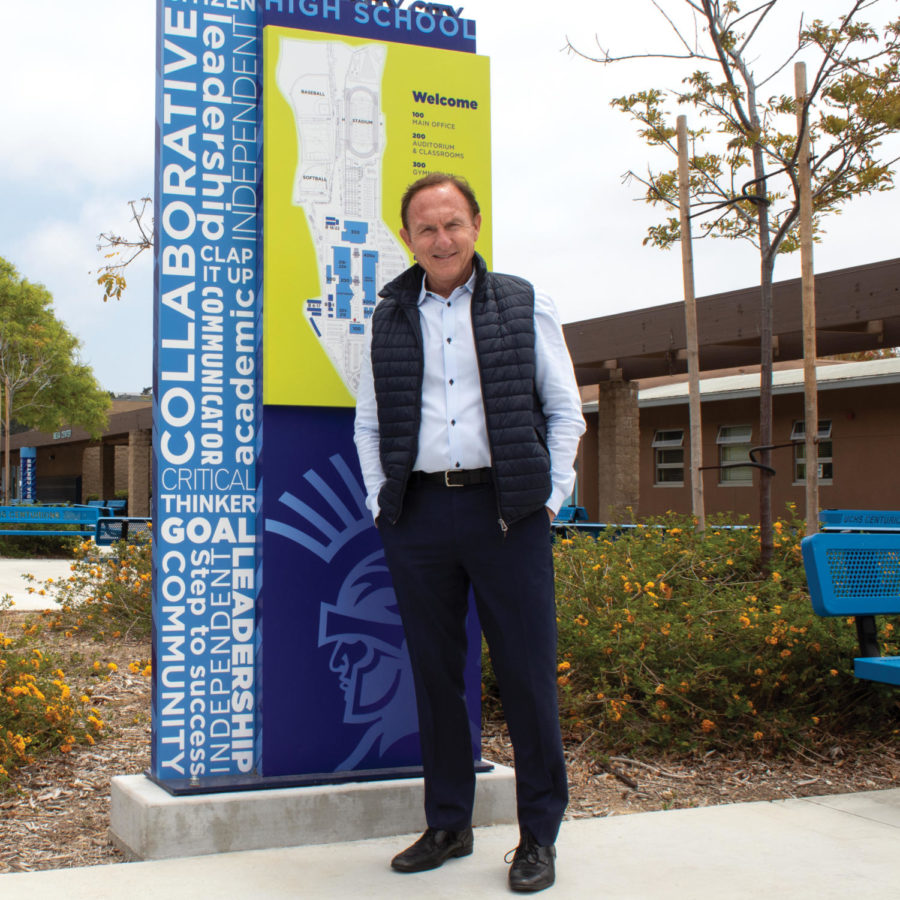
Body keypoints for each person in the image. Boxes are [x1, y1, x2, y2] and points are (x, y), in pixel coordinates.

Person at [354, 172, 585, 893]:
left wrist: (549, 502)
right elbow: (369, 422)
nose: (441, 238)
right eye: (425, 228)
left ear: (476, 226)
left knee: (525, 675)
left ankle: (538, 836)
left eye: (452, 223)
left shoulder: (522, 301)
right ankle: (449, 822)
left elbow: (564, 410)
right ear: (407, 238)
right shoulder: (389, 316)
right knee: (434, 677)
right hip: (419, 517)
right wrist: (380, 502)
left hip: (506, 512)